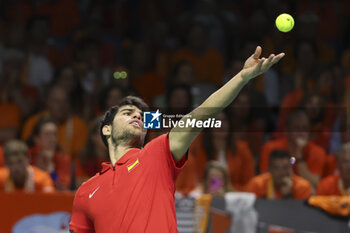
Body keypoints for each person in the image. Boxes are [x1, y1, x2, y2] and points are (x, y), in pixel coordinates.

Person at [69, 46, 284, 232]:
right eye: (127, 113)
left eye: (140, 116)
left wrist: (242, 77)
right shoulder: (86, 191)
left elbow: (201, 114)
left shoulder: (156, 154)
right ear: (106, 130)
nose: (136, 116)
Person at [260, 110, 326, 188]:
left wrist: (299, 155)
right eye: (297, 128)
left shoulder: (318, 152)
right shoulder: (270, 148)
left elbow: (315, 184)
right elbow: (265, 179)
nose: (301, 132)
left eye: (304, 129)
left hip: (302, 193)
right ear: (287, 131)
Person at [247, 150, 312, 199]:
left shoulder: (303, 187)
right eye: (276, 168)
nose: (281, 173)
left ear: (291, 168)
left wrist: (288, 196)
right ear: (270, 169)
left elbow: (301, 215)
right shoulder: (257, 184)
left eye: (285, 167)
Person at [28, 117, 71, 190]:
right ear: (36, 139)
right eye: (47, 135)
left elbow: (62, 188)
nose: (53, 139)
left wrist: (51, 172)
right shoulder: (28, 155)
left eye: (54, 134)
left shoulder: (63, 158)